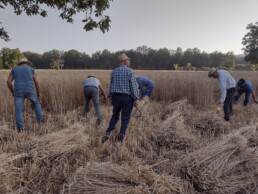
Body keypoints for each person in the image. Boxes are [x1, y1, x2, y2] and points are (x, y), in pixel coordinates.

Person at [102, 53, 139, 143]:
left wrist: (110, 96)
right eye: (128, 60)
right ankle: (121, 136)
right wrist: (136, 98)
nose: (129, 62)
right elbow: (133, 87)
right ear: (124, 61)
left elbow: (111, 86)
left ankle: (108, 131)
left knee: (115, 115)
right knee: (125, 118)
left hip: (116, 97)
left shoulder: (114, 71)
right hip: (127, 98)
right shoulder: (130, 71)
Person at [7, 58, 42, 132]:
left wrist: (12, 91)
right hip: (30, 90)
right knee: (36, 104)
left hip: (18, 91)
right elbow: (36, 82)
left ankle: (20, 129)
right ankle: (40, 123)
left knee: (18, 109)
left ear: (19, 64)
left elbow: (9, 82)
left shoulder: (14, 69)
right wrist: (39, 93)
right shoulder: (31, 69)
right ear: (27, 63)